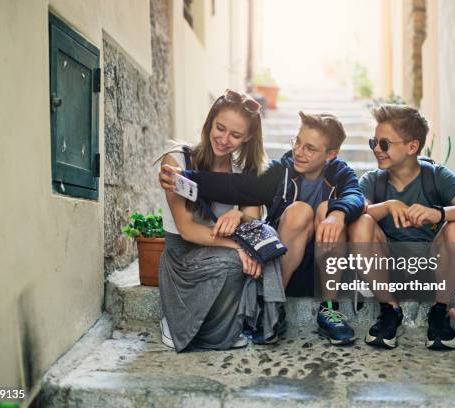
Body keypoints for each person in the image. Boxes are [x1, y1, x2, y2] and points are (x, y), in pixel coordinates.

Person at [160, 111, 367, 345]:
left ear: (331, 155)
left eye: (310, 148)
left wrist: (337, 215)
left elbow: (354, 196)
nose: (298, 151)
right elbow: (238, 186)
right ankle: (272, 310)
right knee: (300, 211)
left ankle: (329, 309)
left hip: (326, 273)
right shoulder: (281, 171)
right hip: (284, 269)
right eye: (297, 142)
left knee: (328, 209)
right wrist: (185, 177)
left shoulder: (341, 173)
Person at [156, 89, 285, 352]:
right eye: (220, 128)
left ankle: (223, 331)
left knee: (260, 255)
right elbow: (188, 229)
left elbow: (251, 219)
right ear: (209, 123)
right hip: (183, 255)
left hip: (219, 247)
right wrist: (237, 247)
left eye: (235, 135)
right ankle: (177, 321)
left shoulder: (245, 171)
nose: (224, 139)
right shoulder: (178, 160)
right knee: (235, 260)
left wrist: (238, 214)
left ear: (247, 137)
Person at [355, 104, 455, 350]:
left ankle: (440, 311)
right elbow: (357, 211)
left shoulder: (436, 176)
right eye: (374, 142)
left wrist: (439, 213)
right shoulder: (372, 180)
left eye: (384, 144)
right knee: (362, 221)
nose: (376, 150)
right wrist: (389, 205)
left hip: (432, 272)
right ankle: (389, 310)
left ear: (412, 146)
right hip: (388, 273)